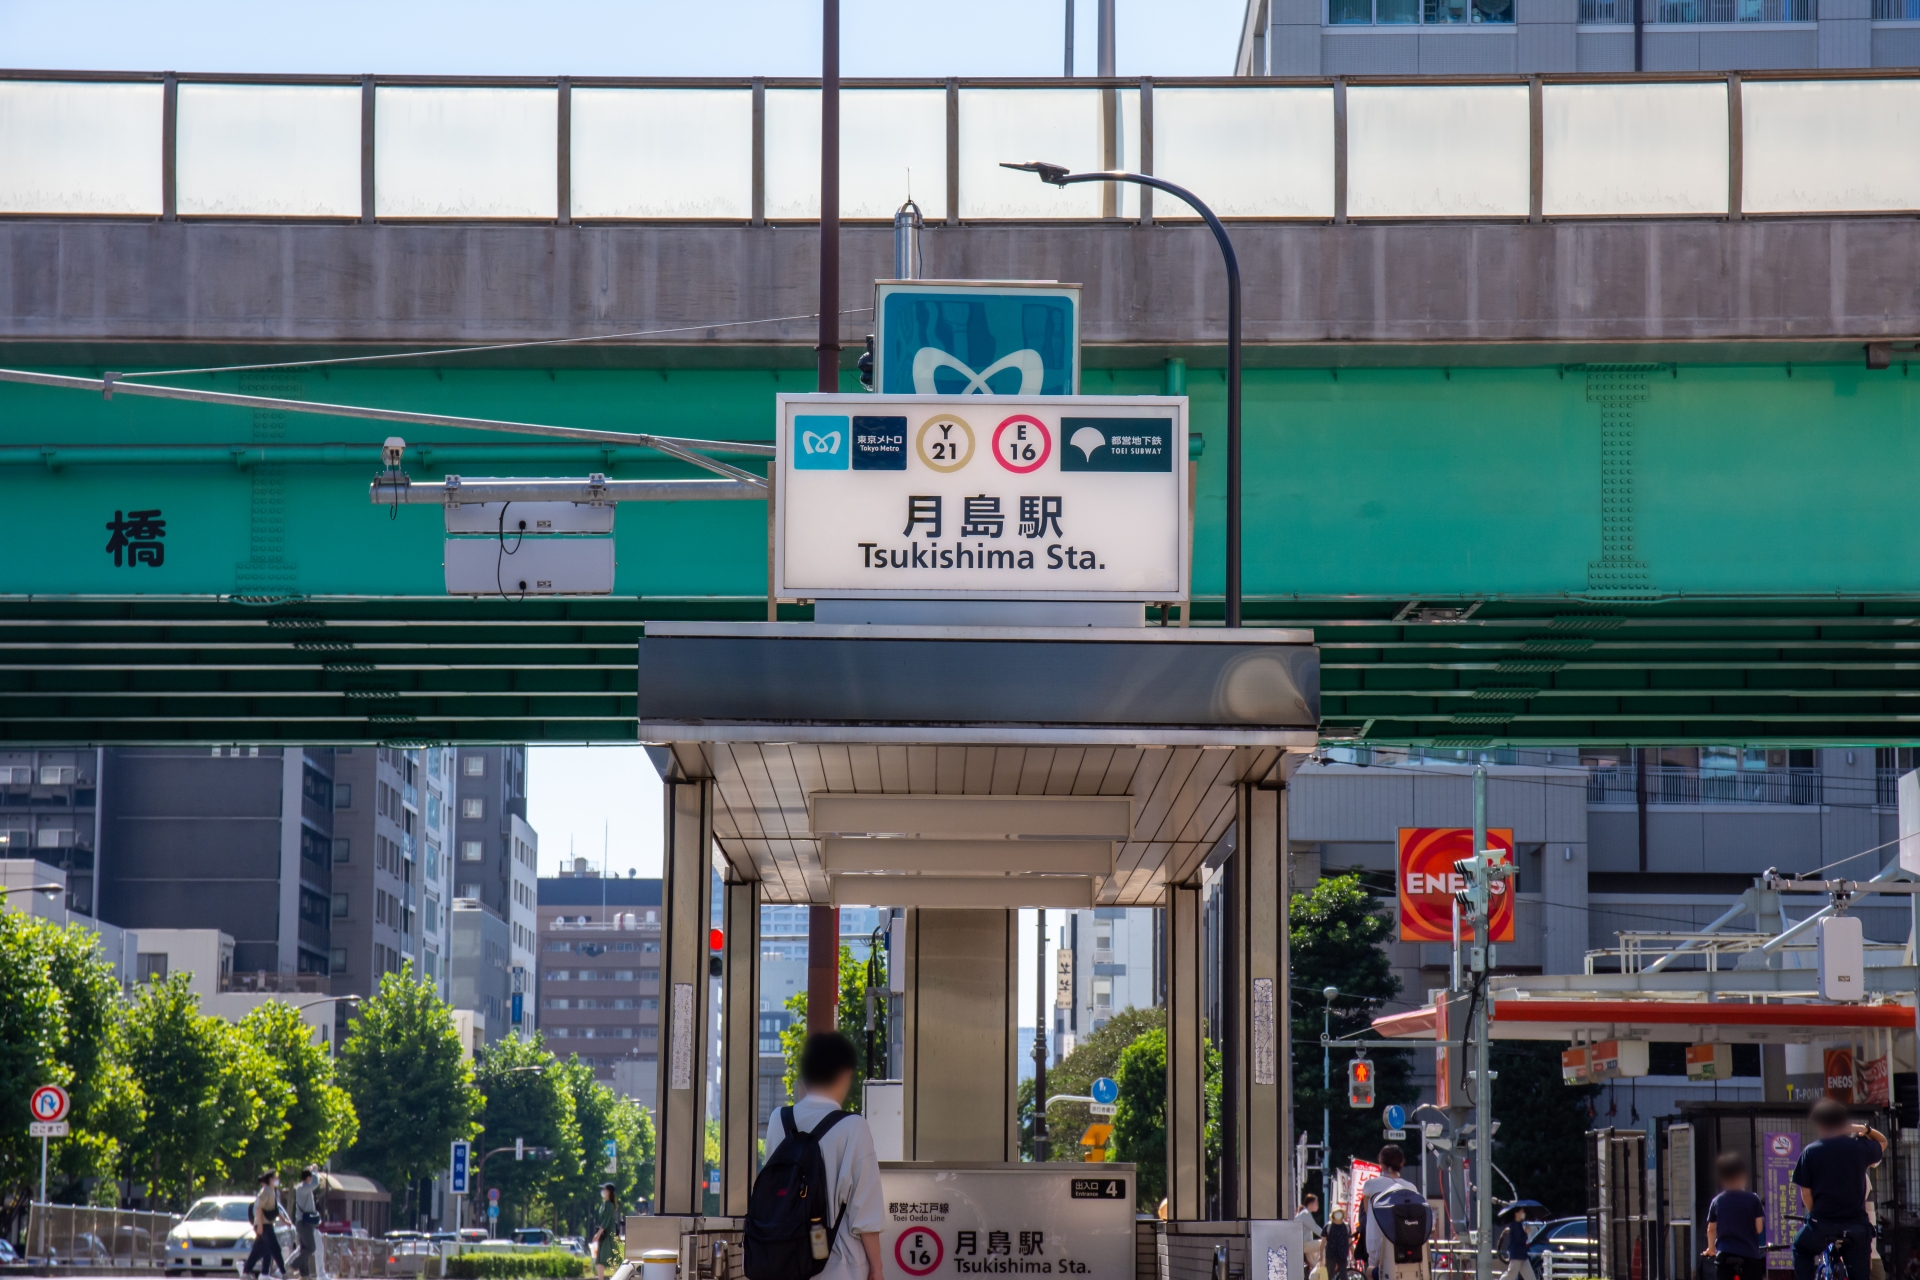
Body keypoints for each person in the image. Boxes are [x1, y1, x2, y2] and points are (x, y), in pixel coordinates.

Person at [761, 1032, 885, 1280]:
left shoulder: (779, 1120)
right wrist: (877, 1268)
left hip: (784, 1259)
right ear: (844, 1075)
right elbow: (865, 1212)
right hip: (841, 1265)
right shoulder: (854, 1127)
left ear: (804, 1076)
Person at [1791, 1098, 1886, 1280]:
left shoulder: (1811, 1151)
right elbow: (1882, 1143)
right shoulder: (1859, 1148)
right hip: (1857, 1226)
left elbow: (1805, 1192)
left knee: (1800, 1248)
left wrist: (1816, 1215)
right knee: (1860, 1271)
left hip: (1822, 1225)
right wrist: (1862, 1129)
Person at [1359, 1146, 1428, 1280]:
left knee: (1371, 1270)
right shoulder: (1411, 1188)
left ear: (1382, 1163)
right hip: (1406, 1242)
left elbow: (1368, 1212)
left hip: (1376, 1241)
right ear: (1401, 1163)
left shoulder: (1370, 1185)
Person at [1703, 1152, 1766, 1280]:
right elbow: (1759, 1228)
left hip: (1725, 1254)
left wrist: (1711, 1249)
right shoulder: (1753, 1199)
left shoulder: (1717, 1201)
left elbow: (1711, 1229)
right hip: (1750, 1255)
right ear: (1742, 1177)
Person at [244, 1171, 290, 1279]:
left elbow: (275, 1209)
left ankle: (246, 1272)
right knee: (275, 1248)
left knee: (258, 1250)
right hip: (264, 1225)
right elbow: (259, 1208)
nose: (277, 1179)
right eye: (275, 1177)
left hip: (265, 1224)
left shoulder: (272, 1191)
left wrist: (284, 1221)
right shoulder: (266, 1191)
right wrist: (260, 1225)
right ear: (270, 1179)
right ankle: (283, 1273)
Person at [292, 1167, 321, 1280]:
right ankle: (293, 1265)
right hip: (303, 1223)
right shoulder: (301, 1189)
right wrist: (315, 1172)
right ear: (308, 1178)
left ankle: (304, 1275)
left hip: (305, 1223)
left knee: (304, 1248)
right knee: (311, 1248)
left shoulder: (304, 1188)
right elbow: (316, 1184)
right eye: (310, 1178)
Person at [590, 1182, 622, 1279]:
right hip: (604, 1234)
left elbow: (606, 1221)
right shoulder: (604, 1204)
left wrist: (598, 1234)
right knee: (600, 1259)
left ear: (609, 1191)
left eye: (604, 1189)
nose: (602, 1191)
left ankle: (621, 1277)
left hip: (608, 1234)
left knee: (611, 1258)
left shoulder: (609, 1205)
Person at [1497, 1205, 1535, 1280]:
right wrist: (1526, 1233)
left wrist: (1525, 1233)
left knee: (1530, 1277)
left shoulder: (1519, 1224)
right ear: (1516, 1213)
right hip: (1517, 1256)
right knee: (1510, 1275)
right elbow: (1519, 1240)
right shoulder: (1514, 1225)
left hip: (1522, 1255)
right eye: (1522, 1212)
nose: (1523, 1213)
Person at [1297, 1193, 1326, 1270]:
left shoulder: (1305, 1213)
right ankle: (1320, 1266)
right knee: (1324, 1243)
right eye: (1316, 1203)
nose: (1318, 1205)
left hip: (1304, 1243)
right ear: (1311, 1204)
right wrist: (1327, 1236)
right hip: (1304, 1244)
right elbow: (1315, 1228)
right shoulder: (1305, 1214)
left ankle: (1317, 1268)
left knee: (1314, 1264)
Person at [1326, 1208, 1353, 1279]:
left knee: (1343, 1274)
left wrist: (1353, 1254)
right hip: (1331, 1254)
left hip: (1342, 1254)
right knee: (1329, 1274)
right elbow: (1323, 1242)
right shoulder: (1328, 1226)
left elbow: (1350, 1242)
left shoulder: (1346, 1226)